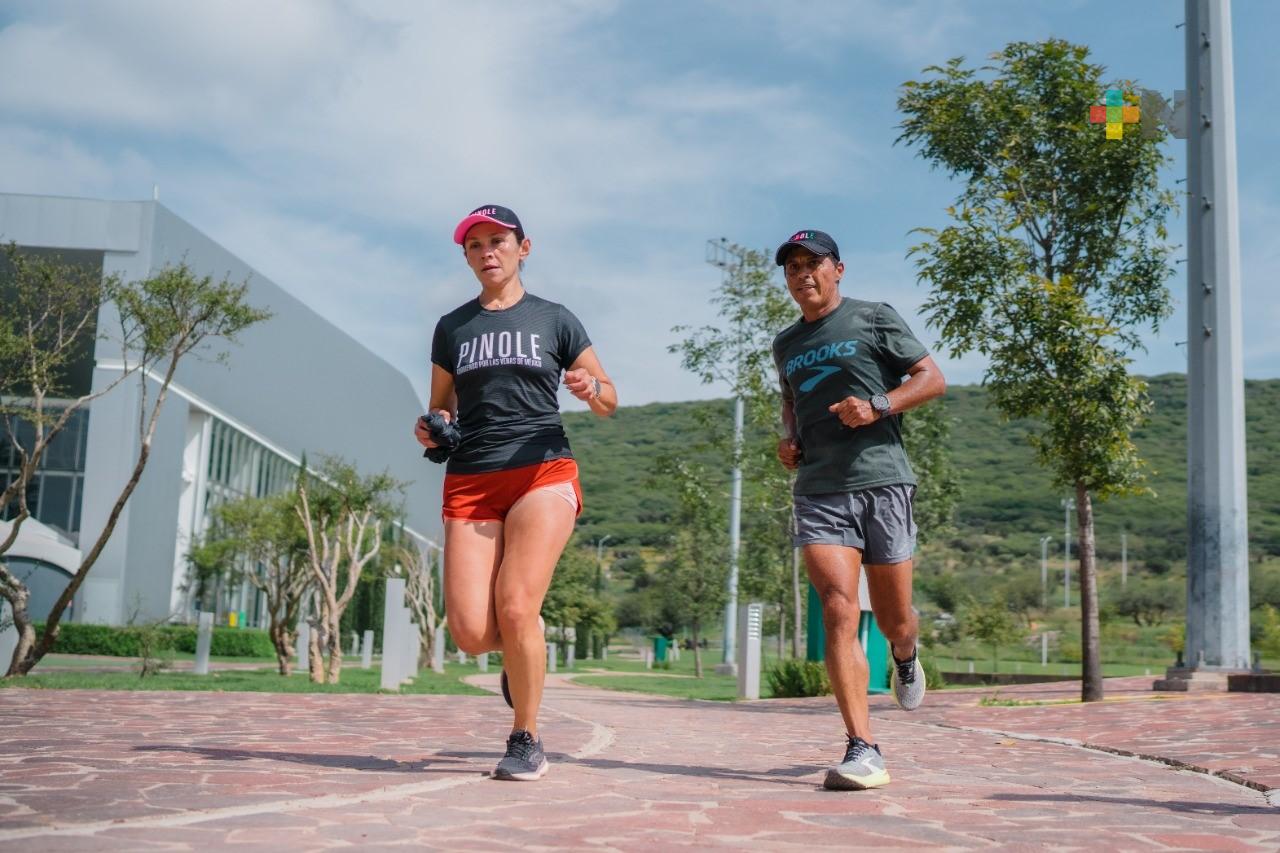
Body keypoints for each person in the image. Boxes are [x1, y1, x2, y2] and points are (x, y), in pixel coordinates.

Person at [415, 204, 617, 781]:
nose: (488, 252)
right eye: (475, 244)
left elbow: (609, 400)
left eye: (498, 241)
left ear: (523, 248)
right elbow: (442, 405)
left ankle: (525, 736)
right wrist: (430, 425)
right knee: (473, 634)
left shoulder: (555, 319)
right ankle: (522, 651)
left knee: (516, 603)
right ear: (467, 256)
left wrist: (587, 384)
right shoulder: (452, 327)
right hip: (472, 478)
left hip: (542, 471)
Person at [771, 228, 946, 791]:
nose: (803, 274)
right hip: (820, 490)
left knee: (894, 617)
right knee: (839, 610)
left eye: (813, 263)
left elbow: (931, 379)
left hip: (883, 483)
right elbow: (790, 400)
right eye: (793, 266)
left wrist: (877, 405)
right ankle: (862, 747)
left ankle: (905, 650)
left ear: (838, 270)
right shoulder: (786, 343)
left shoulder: (873, 317)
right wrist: (788, 437)